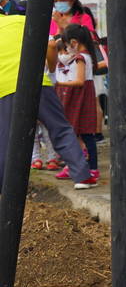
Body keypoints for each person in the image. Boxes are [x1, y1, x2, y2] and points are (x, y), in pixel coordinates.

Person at [0, 14, 93, 191]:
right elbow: (51, 44)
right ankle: (82, 176)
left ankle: (5, 188)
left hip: (5, 88)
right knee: (60, 128)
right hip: (38, 82)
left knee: (5, 137)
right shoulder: (20, 20)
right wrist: (50, 69)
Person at [53, 25, 100, 186]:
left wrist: (59, 83)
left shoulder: (80, 57)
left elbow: (79, 81)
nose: (66, 48)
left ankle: (91, 168)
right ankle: (79, 166)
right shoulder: (87, 56)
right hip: (81, 96)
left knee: (85, 134)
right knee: (81, 134)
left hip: (80, 97)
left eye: (66, 45)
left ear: (73, 42)